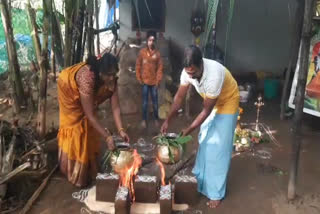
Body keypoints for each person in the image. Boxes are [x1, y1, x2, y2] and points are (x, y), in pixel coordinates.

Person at [160, 45, 239, 208]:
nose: (191, 76)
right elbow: (179, 97)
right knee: (204, 139)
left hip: (227, 101)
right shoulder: (187, 72)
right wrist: (168, 119)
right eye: (188, 73)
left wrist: (188, 129)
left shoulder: (214, 76)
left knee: (219, 148)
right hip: (210, 100)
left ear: (201, 64)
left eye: (194, 72)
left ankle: (216, 193)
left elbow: (206, 110)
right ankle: (201, 180)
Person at [57, 53, 130, 187]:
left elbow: (115, 108)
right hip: (67, 88)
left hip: (86, 95)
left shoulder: (112, 79)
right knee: (77, 126)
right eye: (108, 74)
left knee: (89, 126)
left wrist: (121, 130)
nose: (112, 77)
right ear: (99, 72)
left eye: (114, 74)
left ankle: (90, 168)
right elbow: (90, 115)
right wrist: (107, 137)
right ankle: (73, 172)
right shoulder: (87, 78)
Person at [136, 30, 163, 128]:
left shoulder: (158, 54)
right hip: (145, 82)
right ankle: (144, 120)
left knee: (155, 103)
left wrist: (158, 80)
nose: (151, 42)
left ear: (155, 41)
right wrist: (139, 78)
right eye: (149, 40)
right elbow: (138, 65)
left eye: (153, 40)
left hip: (154, 83)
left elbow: (160, 68)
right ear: (147, 41)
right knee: (144, 103)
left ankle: (156, 119)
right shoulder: (142, 53)